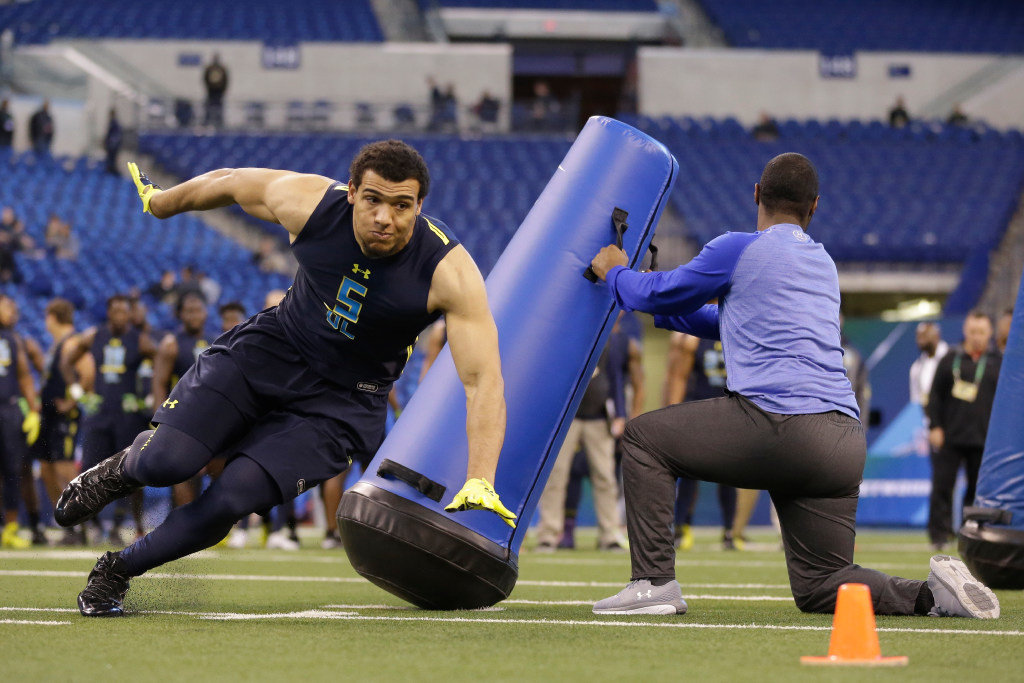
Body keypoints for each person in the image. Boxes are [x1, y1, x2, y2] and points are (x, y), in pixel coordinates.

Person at [56, 139, 513, 616]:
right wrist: (161, 201)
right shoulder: (312, 202)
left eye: (402, 206)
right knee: (164, 464)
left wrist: (481, 476)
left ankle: (117, 570)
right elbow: (229, 181)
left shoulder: (449, 272)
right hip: (268, 353)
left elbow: (483, 380)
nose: (385, 218)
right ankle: (119, 470)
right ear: (352, 192)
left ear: (420, 207)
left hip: (341, 403)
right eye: (374, 200)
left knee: (232, 497)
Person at [587, 152, 999, 619]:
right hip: (842, 441)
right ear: (814, 207)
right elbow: (733, 321)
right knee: (823, 586)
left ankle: (653, 584)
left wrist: (615, 271)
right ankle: (933, 596)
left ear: (757, 195)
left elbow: (659, 291)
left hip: (779, 425)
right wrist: (656, 306)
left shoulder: (737, 247)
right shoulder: (822, 264)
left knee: (643, 439)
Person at [61, 294, 156, 544]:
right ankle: (87, 527)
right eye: (115, 311)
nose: (120, 316)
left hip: (128, 416)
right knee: (90, 469)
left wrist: (148, 397)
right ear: (108, 312)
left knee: (130, 472)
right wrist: (78, 392)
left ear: (129, 313)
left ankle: (125, 526)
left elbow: (163, 363)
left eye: (124, 311)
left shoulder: (140, 340)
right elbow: (67, 361)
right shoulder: (95, 336)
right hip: (99, 412)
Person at [535, 340, 629, 552]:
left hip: (599, 419)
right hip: (567, 419)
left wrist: (621, 414)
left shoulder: (609, 342)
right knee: (556, 476)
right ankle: (548, 535)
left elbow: (616, 379)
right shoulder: (570, 340)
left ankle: (610, 535)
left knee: (605, 476)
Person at [926, 312, 1001, 551]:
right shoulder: (950, 359)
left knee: (977, 491)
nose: (977, 337)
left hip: (984, 439)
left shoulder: (999, 362)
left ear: (990, 333)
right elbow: (934, 396)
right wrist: (934, 426)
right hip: (950, 436)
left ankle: (972, 536)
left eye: (982, 332)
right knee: (942, 487)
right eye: (973, 331)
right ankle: (939, 535)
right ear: (965, 331)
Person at [663, 331, 738, 551]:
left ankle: (729, 531)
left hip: (731, 411)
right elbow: (679, 377)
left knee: (731, 476)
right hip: (699, 410)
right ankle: (682, 527)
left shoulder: (737, 332)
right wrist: (674, 413)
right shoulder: (694, 337)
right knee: (689, 473)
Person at [33, 298, 94, 545]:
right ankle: (66, 521)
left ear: (51, 317)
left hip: (64, 416)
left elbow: (89, 373)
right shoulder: (56, 345)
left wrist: (72, 402)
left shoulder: (71, 343)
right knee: (47, 468)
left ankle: (80, 525)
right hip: (48, 415)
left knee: (64, 468)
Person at [151, 291, 212, 508]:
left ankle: (221, 529)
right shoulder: (171, 344)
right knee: (185, 474)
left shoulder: (217, 340)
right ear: (180, 315)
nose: (194, 315)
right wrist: (160, 419)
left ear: (205, 313)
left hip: (214, 418)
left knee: (221, 469)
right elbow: (159, 382)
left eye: (198, 310)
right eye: (189, 311)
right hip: (184, 418)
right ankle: (183, 524)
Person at [0, 295, 41, 549]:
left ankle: (12, 528)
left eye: (15, 308)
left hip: (9, 411)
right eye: (8, 307)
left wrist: (34, 410)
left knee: (12, 470)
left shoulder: (14, 339)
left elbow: (25, 376)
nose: (13, 312)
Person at [910, 322, 948, 409]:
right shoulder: (916, 367)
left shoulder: (951, 359)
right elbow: (915, 399)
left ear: (937, 335)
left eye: (925, 335)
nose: (920, 340)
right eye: (918, 336)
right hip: (928, 418)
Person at [203, 54, 229, 128]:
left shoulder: (222, 69)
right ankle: (207, 121)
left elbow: (225, 80)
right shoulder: (209, 68)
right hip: (211, 91)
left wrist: (222, 90)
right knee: (208, 107)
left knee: (219, 107)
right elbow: (205, 78)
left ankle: (220, 122)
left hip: (219, 91)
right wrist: (208, 88)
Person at [103, 109, 123, 176]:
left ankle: (112, 172)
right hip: (112, 145)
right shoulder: (113, 123)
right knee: (110, 161)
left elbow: (114, 135)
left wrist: (110, 143)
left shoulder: (114, 123)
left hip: (112, 146)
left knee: (112, 161)